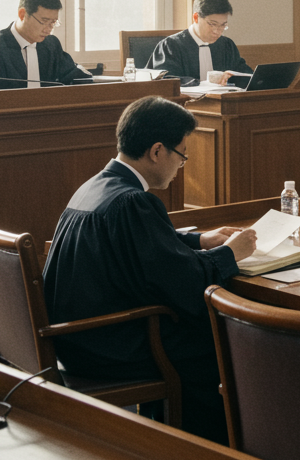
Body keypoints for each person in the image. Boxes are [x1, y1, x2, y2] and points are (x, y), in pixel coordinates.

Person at [42, 96, 257, 442]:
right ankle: (205, 452)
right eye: (182, 155)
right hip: (110, 345)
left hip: (76, 338)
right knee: (221, 341)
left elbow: (142, 248)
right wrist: (230, 254)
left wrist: (200, 240)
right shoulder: (133, 201)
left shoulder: (96, 185)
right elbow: (185, 284)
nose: (182, 165)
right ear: (157, 151)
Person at [146, 0, 252, 85]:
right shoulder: (171, 46)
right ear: (196, 17)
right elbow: (167, 81)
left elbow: (247, 75)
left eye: (223, 25)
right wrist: (205, 83)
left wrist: (233, 77)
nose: (217, 31)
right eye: (212, 24)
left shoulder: (227, 45)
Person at [0, 0, 83, 88]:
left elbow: (73, 76)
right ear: (22, 14)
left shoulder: (51, 44)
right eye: (44, 21)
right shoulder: (2, 46)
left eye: (53, 22)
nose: (49, 29)